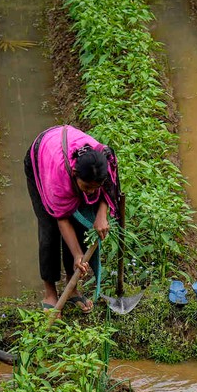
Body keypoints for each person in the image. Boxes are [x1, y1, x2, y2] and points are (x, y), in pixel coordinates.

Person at [25, 125, 121, 312]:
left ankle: (72, 288)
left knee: (81, 225)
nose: (92, 192)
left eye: (96, 187)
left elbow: (109, 190)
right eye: (87, 187)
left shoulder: (105, 161)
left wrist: (102, 214)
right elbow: (62, 219)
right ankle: (50, 293)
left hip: (67, 149)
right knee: (49, 229)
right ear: (75, 175)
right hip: (41, 158)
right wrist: (78, 254)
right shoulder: (58, 177)